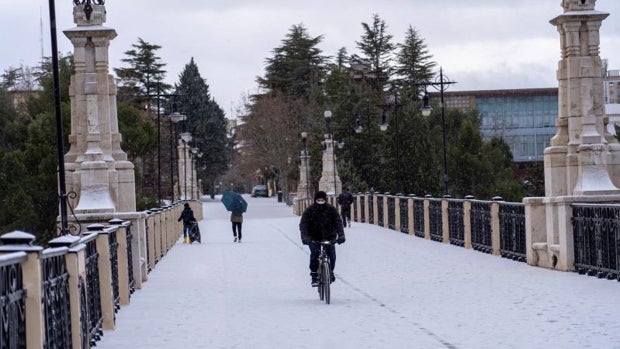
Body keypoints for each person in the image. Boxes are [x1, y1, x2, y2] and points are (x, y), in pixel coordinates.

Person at [299, 191, 346, 287]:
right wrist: (305, 238)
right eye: (318, 200)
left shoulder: (331, 210)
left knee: (331, 254)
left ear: (325, 200)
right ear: (315, 200)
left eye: (322, 200)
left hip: (329, 236)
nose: (320, 201)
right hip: (314, 237)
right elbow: (303, 224)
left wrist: (341, 235)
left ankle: (330, 271)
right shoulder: (309, 211)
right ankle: (314, 275)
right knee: (315, 253)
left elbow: (338, 222)